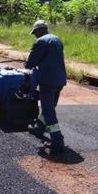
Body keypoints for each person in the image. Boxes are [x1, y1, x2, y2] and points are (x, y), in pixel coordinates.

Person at [25, 20, 67, 154]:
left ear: (38, 30)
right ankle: (39, 127)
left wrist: (27, 65)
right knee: (50, 106)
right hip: (60, 79)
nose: (35, 35)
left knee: (48, 110)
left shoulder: (41, 42)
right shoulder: (56, 39)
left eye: (35, 33)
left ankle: (57, 139)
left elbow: (31, 62)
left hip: (47, 81)